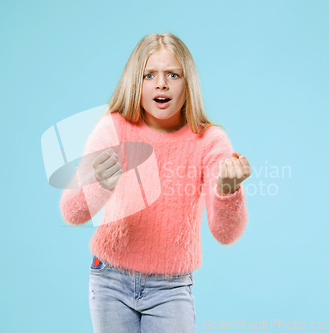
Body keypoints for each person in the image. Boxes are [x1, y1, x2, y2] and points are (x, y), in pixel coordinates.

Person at [59, 32, 251, 333]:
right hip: (109, 280)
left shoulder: (210, 141)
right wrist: (100, 184)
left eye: (172, 74)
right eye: (150, 75)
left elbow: (226, 234)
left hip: (171, 288)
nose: (161, 83)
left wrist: (228, 191)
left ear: (188, 84)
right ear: (136, 82)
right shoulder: (113, 127)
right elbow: (72, 212)